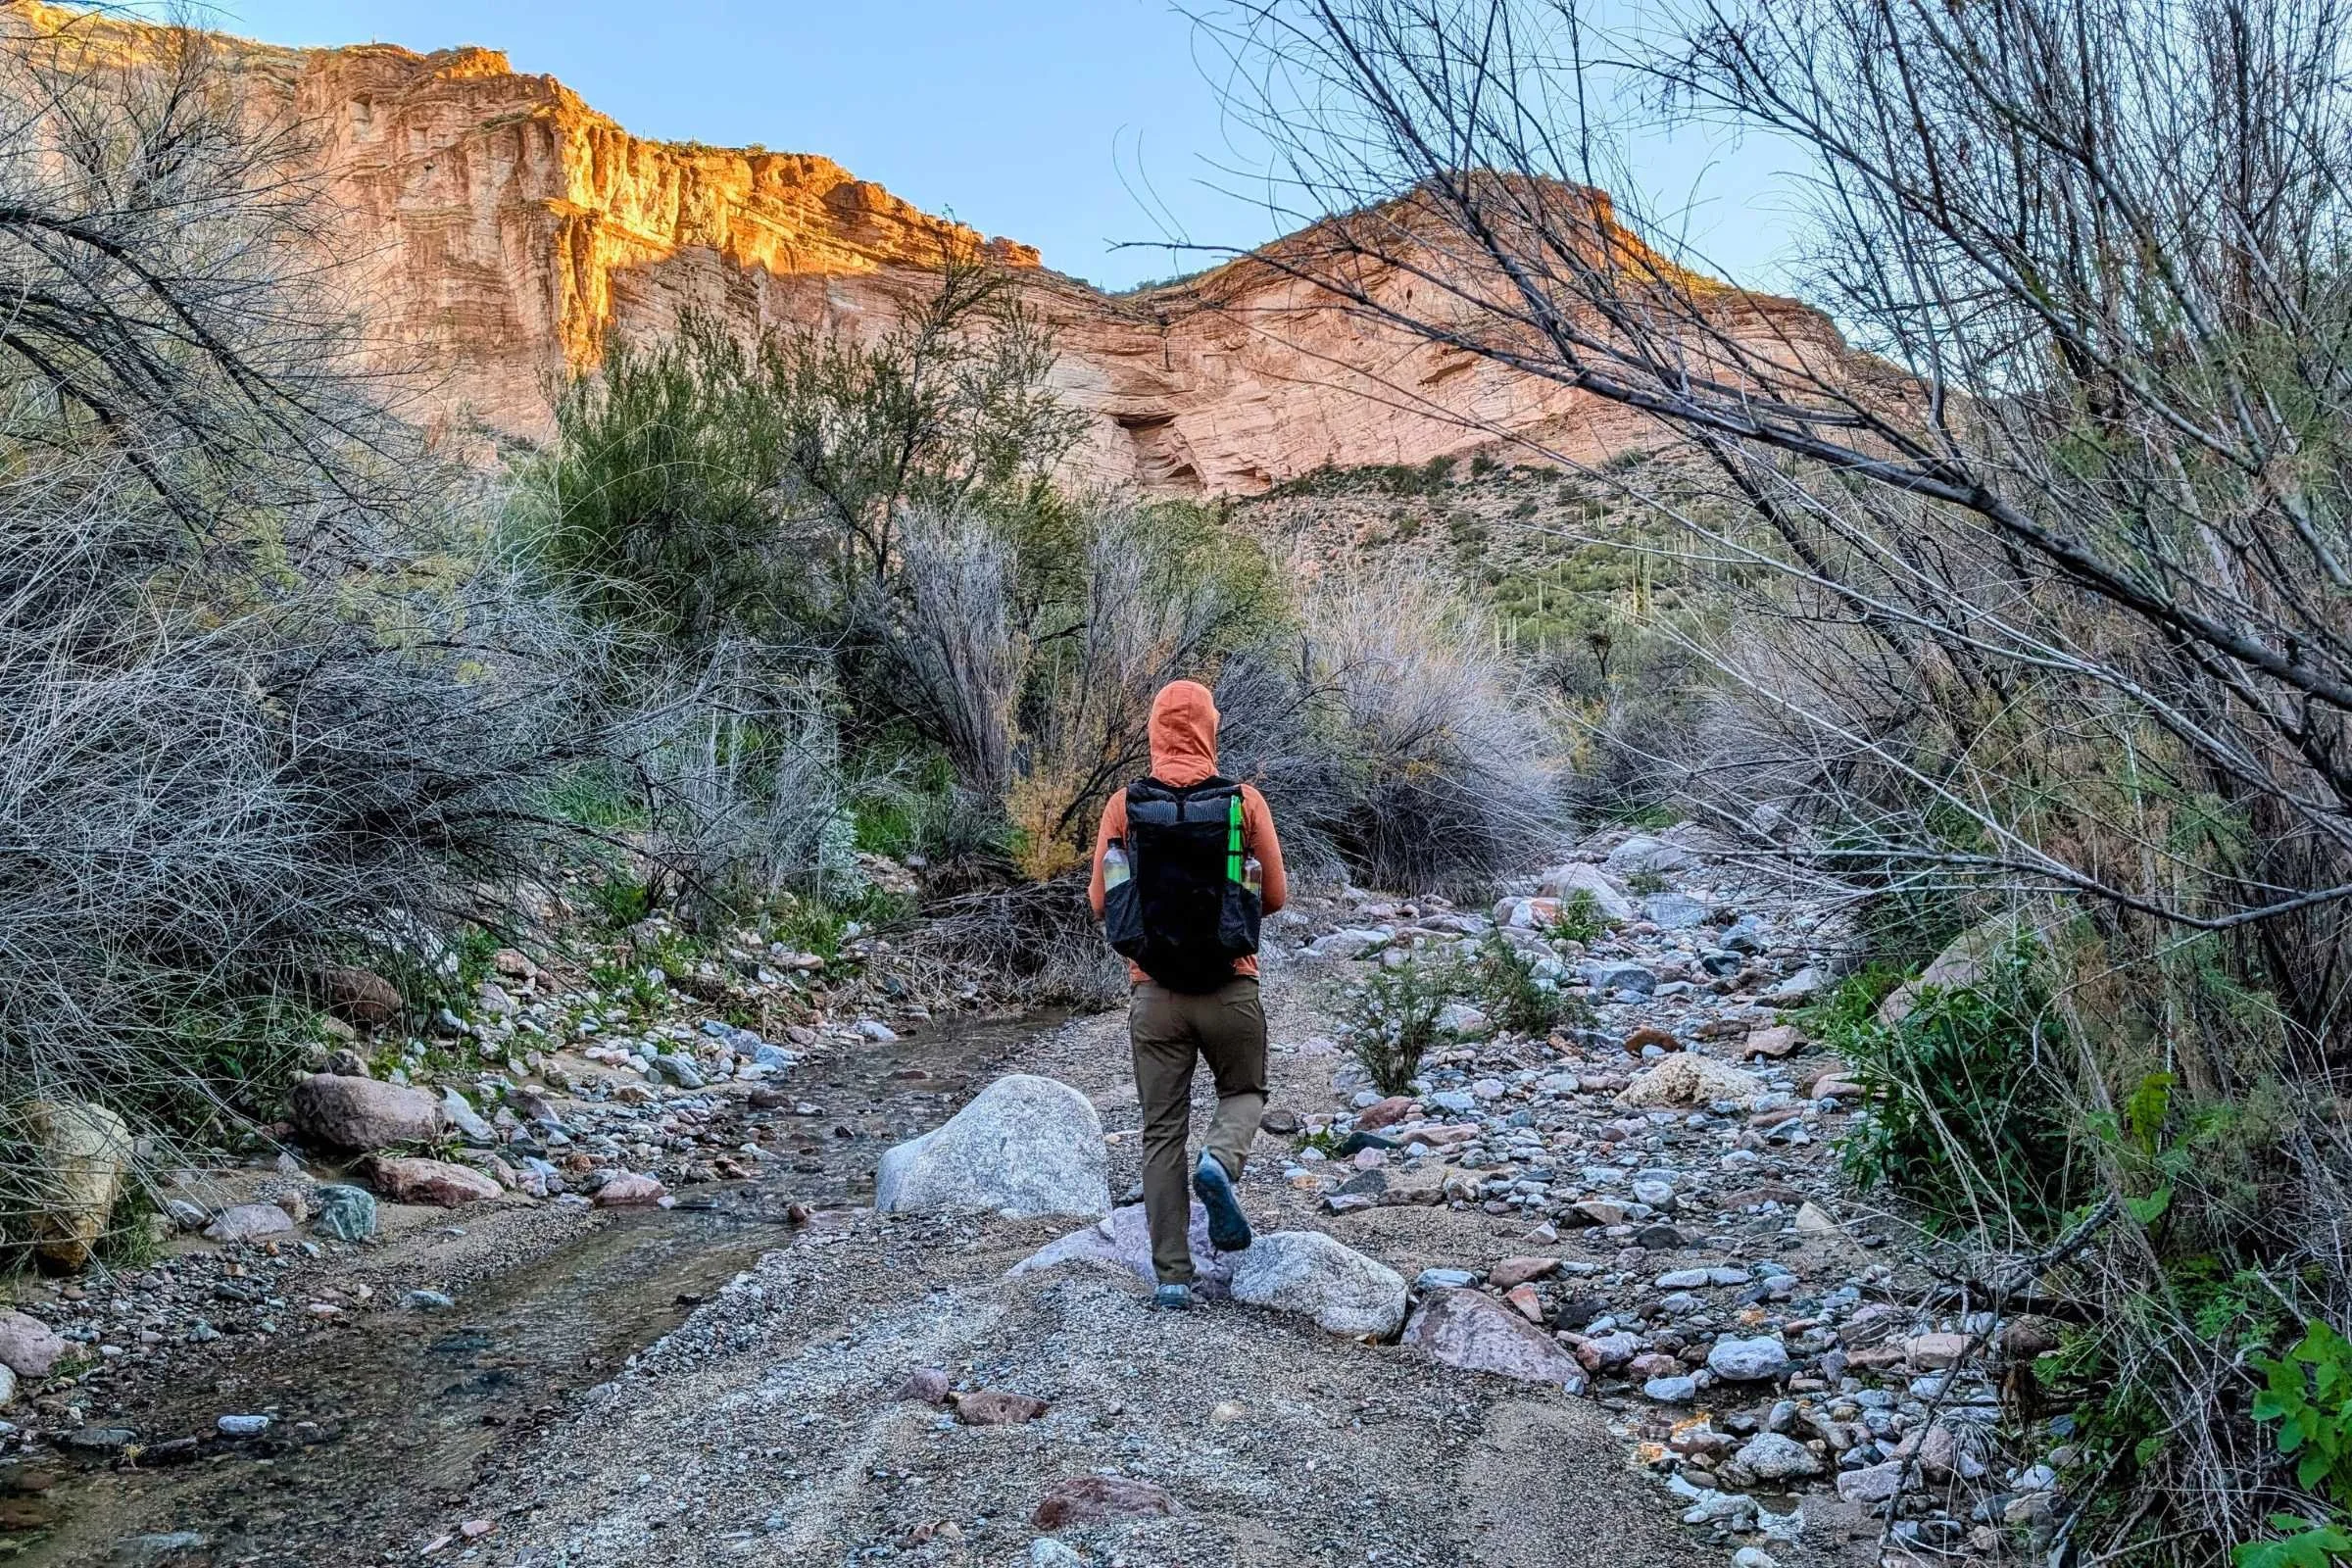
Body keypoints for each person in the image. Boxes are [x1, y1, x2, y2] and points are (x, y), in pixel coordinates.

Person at [1088, 679, 1287, 1310]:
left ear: (1153, 731)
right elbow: (1274, 898)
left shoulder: (1123, 806)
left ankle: (1172, 1274)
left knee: (1160, 1132)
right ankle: (1221, 1164)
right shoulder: (1244, 803)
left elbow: (1101, 902)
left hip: (1155, 994)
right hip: (1231, 984)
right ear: (1209, 729)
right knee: (1245, 1091)